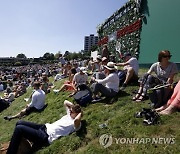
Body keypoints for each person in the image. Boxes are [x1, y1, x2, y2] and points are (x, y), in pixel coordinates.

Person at [6, 100, 82, 154]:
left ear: (77, 114)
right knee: (19, 122)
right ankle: (20, 145)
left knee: (19, 129)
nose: (70, 111)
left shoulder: (75, 124)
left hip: (45, 136)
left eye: (72, 112)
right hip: (44, 127)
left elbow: (76, 121)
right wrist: (73, 107)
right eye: (71, 110)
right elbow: (65, 102)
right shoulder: (69, 114)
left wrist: (80, 113)